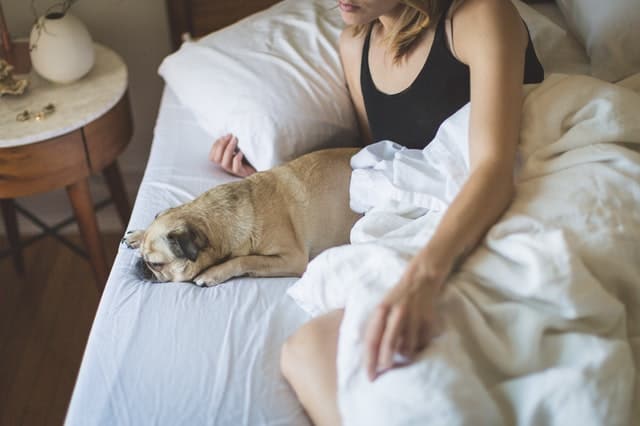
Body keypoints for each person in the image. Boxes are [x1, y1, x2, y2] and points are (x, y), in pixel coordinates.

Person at [211, 0, 543, 424]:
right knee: (305, 351)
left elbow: (495, 170)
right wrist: (266, 175)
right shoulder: (356, 45)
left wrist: (421, 279)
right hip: (423, 214)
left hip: (507, 199)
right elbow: (384, 164)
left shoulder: (478, 17)